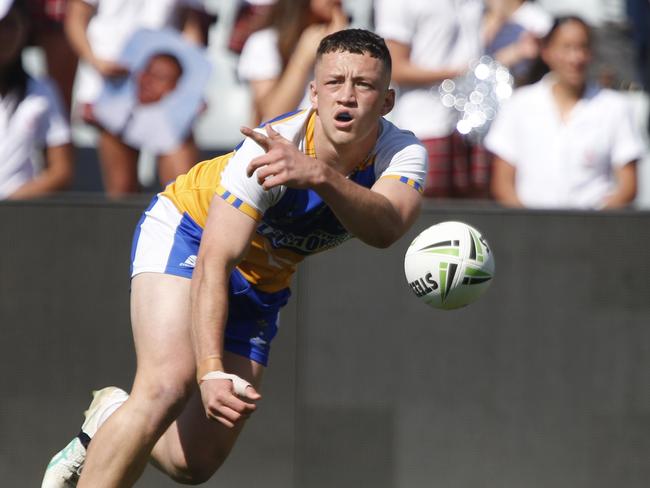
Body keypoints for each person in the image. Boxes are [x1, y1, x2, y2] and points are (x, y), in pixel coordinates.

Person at [41, 28, 427, 487]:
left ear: (387, 102)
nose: (347, 97)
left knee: (194, 463)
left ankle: (112, 417)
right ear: (313, 93)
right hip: (188, 233)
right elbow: (213, 262)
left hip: (264, 280)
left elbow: (384, 229)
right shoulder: (267, 148)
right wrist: (210, 371)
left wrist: (321, 176)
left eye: (364, 85)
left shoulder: (401, 152)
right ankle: (136, 410)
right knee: (166, 386)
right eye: (334, 82)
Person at [486, 16, 644, 209]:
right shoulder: (519, 104)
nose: (575, 58)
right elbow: (502, 183)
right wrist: (529, 226)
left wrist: (593, 223)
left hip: (594, 233)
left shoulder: (615, 107)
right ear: (547, 52)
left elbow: (628, 185)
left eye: (582, 48)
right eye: (566, 48)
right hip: (530, 231)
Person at [64, 0, 207, 196]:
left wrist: (192, 86)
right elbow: (75, 17)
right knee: (122, 190)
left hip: (169, 89)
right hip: (112, 87)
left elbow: (190, 25)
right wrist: (95, 62)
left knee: (184, 191)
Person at [374, 0, 491, 199]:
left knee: (471, 217)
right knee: (426, 213)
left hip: (473, 127)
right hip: (425, 124)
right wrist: (458, 73)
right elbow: (395, 68)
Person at [0, 0, 74, 200]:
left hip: (21, 219)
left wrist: (12, 202)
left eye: (10, 25)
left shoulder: (43, 90)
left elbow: (61, 170)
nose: (4, 36)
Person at [237, 0, 348, 125]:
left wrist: (339, 46)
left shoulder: (347, 43)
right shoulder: (264, 42)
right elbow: (273, 115)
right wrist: (303, 57)